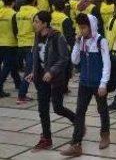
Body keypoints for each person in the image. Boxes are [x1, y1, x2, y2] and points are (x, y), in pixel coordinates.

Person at [60, 13, 111, 156]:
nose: (81, 30)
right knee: (79, 112)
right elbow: (75, 61)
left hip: (97, 83)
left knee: (102, 109)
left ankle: (105, 134)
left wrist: (103, 83)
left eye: (84, 27)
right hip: (84, 83)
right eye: (80, 27)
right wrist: (76, 43)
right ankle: (76, 144)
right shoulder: (81, 41)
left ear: (91, 27)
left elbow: (107, 63)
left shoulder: (101, 41)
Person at [27, 11, 76, 152]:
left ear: (45, 23)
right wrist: (33, 72)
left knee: (58, 108)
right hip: (41, 79)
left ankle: (77, 121)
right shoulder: (37, 36)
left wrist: (51, 71)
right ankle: (46, 139)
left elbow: (64, 58)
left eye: (37, 21)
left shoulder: (56, 36)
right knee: (42, 109)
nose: (34, 24)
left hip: (56, 79)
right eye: (34, 21)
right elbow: (38, 57)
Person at [15, 0, 38, 104]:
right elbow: (37, 28)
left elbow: (15, 28)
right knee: (29, 71)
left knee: (33, 69)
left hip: (20, 43)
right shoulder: (35, 12)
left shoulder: (19, 12)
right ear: (34, 0)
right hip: (31, 44)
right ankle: (21, 95)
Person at [0, 0, 20, 97]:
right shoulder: (13, 14)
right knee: (7, 66)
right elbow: (16, 30)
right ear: (13, 2)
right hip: (10, 43)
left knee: (13, 65)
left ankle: (18, 83)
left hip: (1, 42)